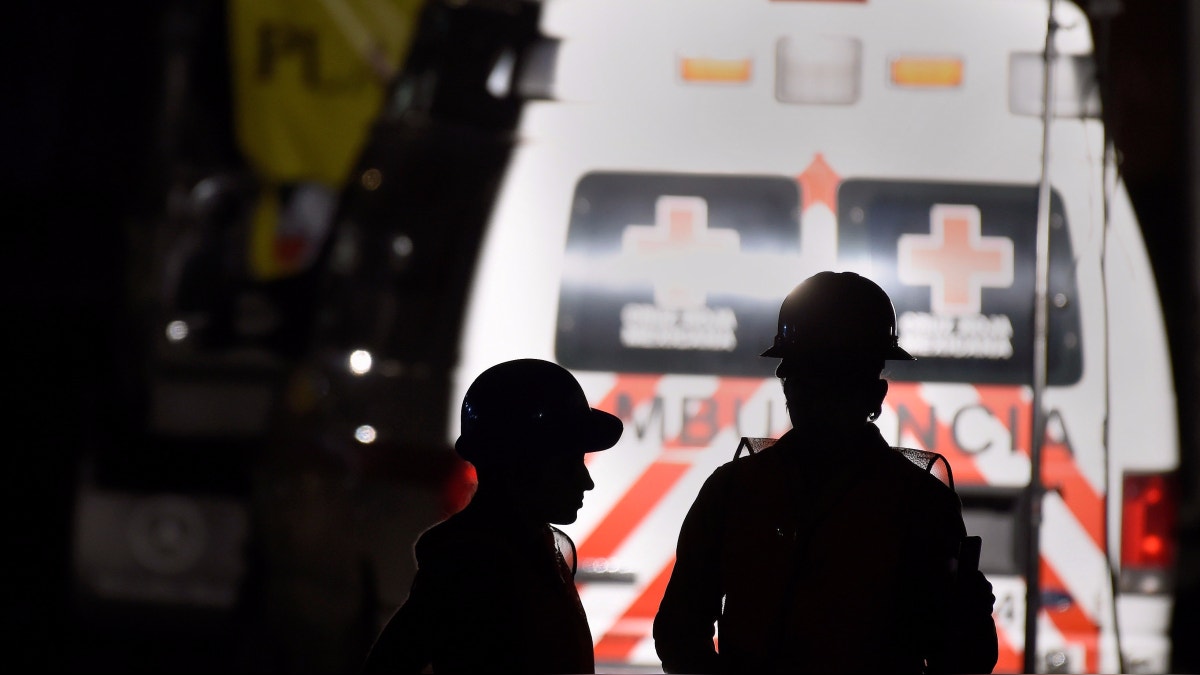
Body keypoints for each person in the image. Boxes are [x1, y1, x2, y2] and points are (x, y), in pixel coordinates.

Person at [653, 271, 999, 674]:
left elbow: (679, 636)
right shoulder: (922, 501)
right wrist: (969, 613)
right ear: (877, 394)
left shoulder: (733, 490)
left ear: (787, 385)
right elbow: (964, 661)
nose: (815, 393)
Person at [362, 358, 623, 674]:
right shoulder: (467, 566)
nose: (586, 481)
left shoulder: (535, 550)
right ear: (520, 463)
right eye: (568, 463)